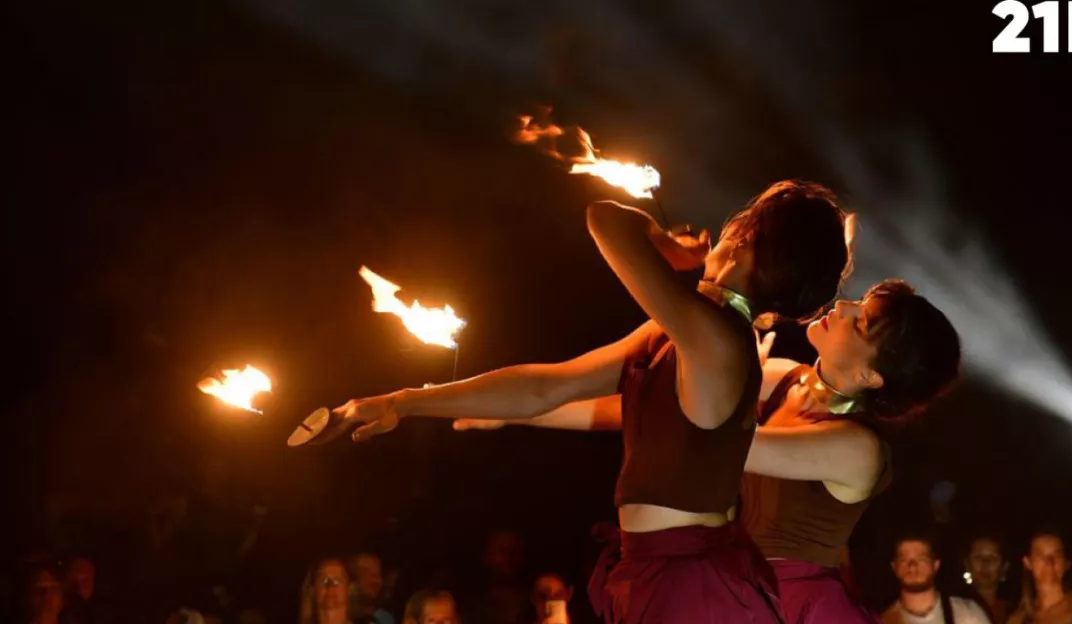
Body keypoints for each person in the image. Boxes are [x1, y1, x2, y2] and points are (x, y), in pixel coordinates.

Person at [334, 179, 852, 622]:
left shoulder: (717, 338)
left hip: (691, 589)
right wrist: (402, 403)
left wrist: (660, 244)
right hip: (658, 570)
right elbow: (547, 387)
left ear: (746, 239)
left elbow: (605, 219)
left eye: (740, 221)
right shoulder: (686, 330)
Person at [457, 279, 961, 624]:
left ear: (872, 376)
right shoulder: (785, 377)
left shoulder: (858, 448)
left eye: (861, 322)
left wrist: (722, 364)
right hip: (728, 585)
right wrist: (520, 411)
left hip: (791, 608)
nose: (844, 307)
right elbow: (641, 408)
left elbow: (710, 441)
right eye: (859, 303)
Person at [882, 534, 991, 624]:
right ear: (894, 567)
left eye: (921, 559)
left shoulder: (967, 614)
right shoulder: (883, 620)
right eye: (904, 560)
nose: (913, 566)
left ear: (935, 565)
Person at [1006, 530, 1072, 624]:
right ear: (1028, 562)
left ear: (1066, 563)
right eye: (1040, 555)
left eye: (1057, 555)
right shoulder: (1018, 619)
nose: (1049, 561)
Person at [965, 536, 1013, 623]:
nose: (985, 563)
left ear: (1004, 567)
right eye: (978, 557)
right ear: (967, 564)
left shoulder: (1017, 612)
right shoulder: (954, 607)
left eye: (993, 558)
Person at [350, 553, 395, 624]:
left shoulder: (385, 618)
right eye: (371, 575)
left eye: (378, 575)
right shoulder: (341, 614)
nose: (376, 581)